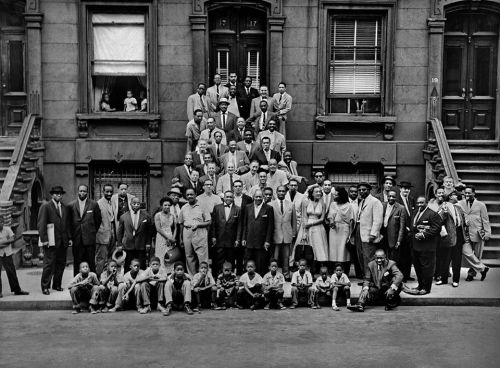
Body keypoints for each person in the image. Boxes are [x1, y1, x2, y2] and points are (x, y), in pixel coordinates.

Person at [404, 196, 442, 295]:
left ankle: (426, 288)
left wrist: (424, 234)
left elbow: (436, 229)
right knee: (418, 267)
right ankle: (420, 286)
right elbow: (414, 227)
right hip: (415, 246)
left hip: (427, 247)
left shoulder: (433, 214)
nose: (420, 205)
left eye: (422, 203)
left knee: (427, 269)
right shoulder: (416, 212)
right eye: (418, 203)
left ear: (426, 203)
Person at [38, 186, 72, 295]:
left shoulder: (65, 207)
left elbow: (67, 224)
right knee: (49, 264)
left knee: (61, 264)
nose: (58, 195)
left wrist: (69, 238)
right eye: (56, 193)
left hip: (63, 241)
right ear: (52, 195)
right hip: (51, 241)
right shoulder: (46, 206)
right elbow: (41, 224)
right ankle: (45, 287)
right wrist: (44, 239)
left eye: (60, 193)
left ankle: (57, 285)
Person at [459, 185, 491, 281]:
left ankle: (471, 274)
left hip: (478, 233)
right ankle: (483, 268)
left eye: (469, 192)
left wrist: (487, 233)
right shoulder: (460, 203)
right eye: (466, 193)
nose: (467, 194)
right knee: (466, 252)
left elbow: (485, 220)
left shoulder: (481, 205)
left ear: (474, 193)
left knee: (477, 255)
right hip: (465, 233)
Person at [68, 184, 102, 275]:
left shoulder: (93, 204)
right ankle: (77, 283)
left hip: (89, 239)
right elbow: (68, 223)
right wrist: (71, 237)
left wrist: (92, 231)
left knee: (90, 262)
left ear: (87, 192)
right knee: (77, 262)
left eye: (84, 191)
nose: (82, 193)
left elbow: (98, 220)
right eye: (81, 191)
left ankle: (92, 282)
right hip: (77, 239)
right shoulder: (71, 205)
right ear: (78, 192)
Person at [293, 186, 329, 273]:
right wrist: (305, 231)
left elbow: (322, 219)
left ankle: (316, 269)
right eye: (316, 192)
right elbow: (304, 217)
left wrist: (312, 224)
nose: (319, 193)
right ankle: (306, 268)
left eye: (320, 192)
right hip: (306, 226)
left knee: (318, 248)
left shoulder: (323, 203)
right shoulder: (306, 202)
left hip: (318, 227)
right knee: (307, 247)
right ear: (312, 193)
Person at [179, 188, 212, 276]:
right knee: (189, 256)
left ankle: (205, 278)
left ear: (195, 194)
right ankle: (193, 278)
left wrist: (198, 225)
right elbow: (181, 224)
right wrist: (181, 238)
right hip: (187, 232)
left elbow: (209, 221)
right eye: (188, 195)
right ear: (185, 196)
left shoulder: (202, 205)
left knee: (202, 257)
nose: (190, 196)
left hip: (199, 231)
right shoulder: (184, 207)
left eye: (191, 194)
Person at [241, 189, 274, 276]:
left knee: (260, 263)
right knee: (247, 261)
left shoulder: (269, 208)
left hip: (261, 241)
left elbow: (270, 227)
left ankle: (259, 281)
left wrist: (267, 241)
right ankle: (247, 281)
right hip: (249, 240)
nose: (258, 198)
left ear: (263, 197)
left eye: (260, 197)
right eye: (256, 197)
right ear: (253, 197)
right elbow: (245, 224)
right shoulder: (248, 207)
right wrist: (243, 238)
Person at [354, 182, 383, 276]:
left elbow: (378, 220)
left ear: (369, 190)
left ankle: (370, 278)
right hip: (359, 231)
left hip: (369, 233)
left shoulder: (375, 201)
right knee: (361, 256)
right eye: (359, 190)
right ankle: (365, 277)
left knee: (369, 256)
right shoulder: (362, 201)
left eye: (364, 190)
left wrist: (373, 234)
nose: (361, 191)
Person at [429, 187, 457, 285]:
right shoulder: (431, 204)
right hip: (433, 232)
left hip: (444, 233)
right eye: (439, 193)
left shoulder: (447, 205)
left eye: (442, 193)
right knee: (434, 255)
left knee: (442, 256)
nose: (441, 195)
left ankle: (440, 274)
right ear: (435, 194)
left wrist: (445, 214)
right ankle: (434, 273)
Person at [116, 197, 153, 270]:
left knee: (141, 264)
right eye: (134, 203)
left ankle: (141, 279)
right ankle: (127, 279)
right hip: (128, 245)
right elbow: (120, 232)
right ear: (130, 204)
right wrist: (119, 244)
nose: (136, 205)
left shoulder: (146, 216)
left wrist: (148, 243)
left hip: (141, 244)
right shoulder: (123, 216)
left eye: (138, 204)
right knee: (128, 264)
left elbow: (149, 231)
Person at [211, 191, 241, 276]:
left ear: (233, 198)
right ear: (223, 198)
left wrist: (237, 239)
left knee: (231, 260)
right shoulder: (217, 208)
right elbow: (213, 224)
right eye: (227, 196)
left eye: (230, 197)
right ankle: (218, 278)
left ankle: (230, 279)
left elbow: (239, 226)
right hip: (219, 239)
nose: (228, 198)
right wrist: (213, 236)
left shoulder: (238, 209)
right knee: (218, 260)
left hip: (231, 240)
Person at [270, 186, 297, 279]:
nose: (281, 193)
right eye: (279, 191)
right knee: (275, 257)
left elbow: (294, 220)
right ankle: (275, 274)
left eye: (283, 191)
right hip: (275, 233)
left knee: (286, 257)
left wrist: (293, 233)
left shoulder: (291, 204)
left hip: (287, 234)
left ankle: (286, 274)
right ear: (276, 192)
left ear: (286, 192)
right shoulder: (271, 204)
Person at [0, 218, 29, 298]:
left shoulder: (7, 229)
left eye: (1, 222)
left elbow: (12, 239)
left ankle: (17, 290)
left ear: (3, 222)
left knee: (12, 273)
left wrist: (2, 243)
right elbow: (9, 241)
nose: (0, 224)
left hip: (7, 254)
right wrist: (7, 242)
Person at [327, 187, 355, 271]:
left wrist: (350, 235)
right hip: (334, 229)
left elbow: (351, 221)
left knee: (343, 250)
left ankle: (345, 270)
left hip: (344, 229)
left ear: (341, 195)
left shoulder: (349, 206)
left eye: (336, 194)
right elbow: (330, 216)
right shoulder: (333, 204)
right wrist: (331, 221)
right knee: (333, 249)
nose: (334, 196)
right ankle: (333, 270)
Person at [396, 181, 416, 282]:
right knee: (400, 256)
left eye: (408, 189)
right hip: (400, 231)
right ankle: (401, 276)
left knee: (409, 255)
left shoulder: (411, 199)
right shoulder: (397, 200)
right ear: (400, 189)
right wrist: (405, 228)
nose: (406, 190)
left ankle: (407, 275)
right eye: (404, 188)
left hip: (410, 233)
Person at [381, 190, 407, 263]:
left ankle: (391, 273)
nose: (391, 198)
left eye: (393, 197)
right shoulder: (382, 205)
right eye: (389, 196)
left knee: (392, 258)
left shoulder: (401, 208)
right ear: (387, 197)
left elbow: (402, 226)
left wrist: (399, 240)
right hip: (382, 234)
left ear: (396, 198)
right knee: (382, 255)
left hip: (393, 237)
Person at [95, 184, 115, 276]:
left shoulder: (113, 203)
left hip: (112, 235)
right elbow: (95, 221)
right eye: (107, 191)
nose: (109, 193)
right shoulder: (98, 203)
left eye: (111, 191)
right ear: (103, 192)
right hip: (102, 236)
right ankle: (99, 278)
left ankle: (108, 277)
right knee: (101, 259)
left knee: (111, 259)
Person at [154, 197, 177, 275]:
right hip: (161, 237)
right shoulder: (158, 215)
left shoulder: (172, 215)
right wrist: (168, 238)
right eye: (165, 205)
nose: (167, 207)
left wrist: (173, 237)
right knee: (161, 256)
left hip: (170, 237)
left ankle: (170, 274)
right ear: (161, 206)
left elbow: (176, 227)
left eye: (169, 205)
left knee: (170, 256)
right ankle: (161, 274)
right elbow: (158, 228)